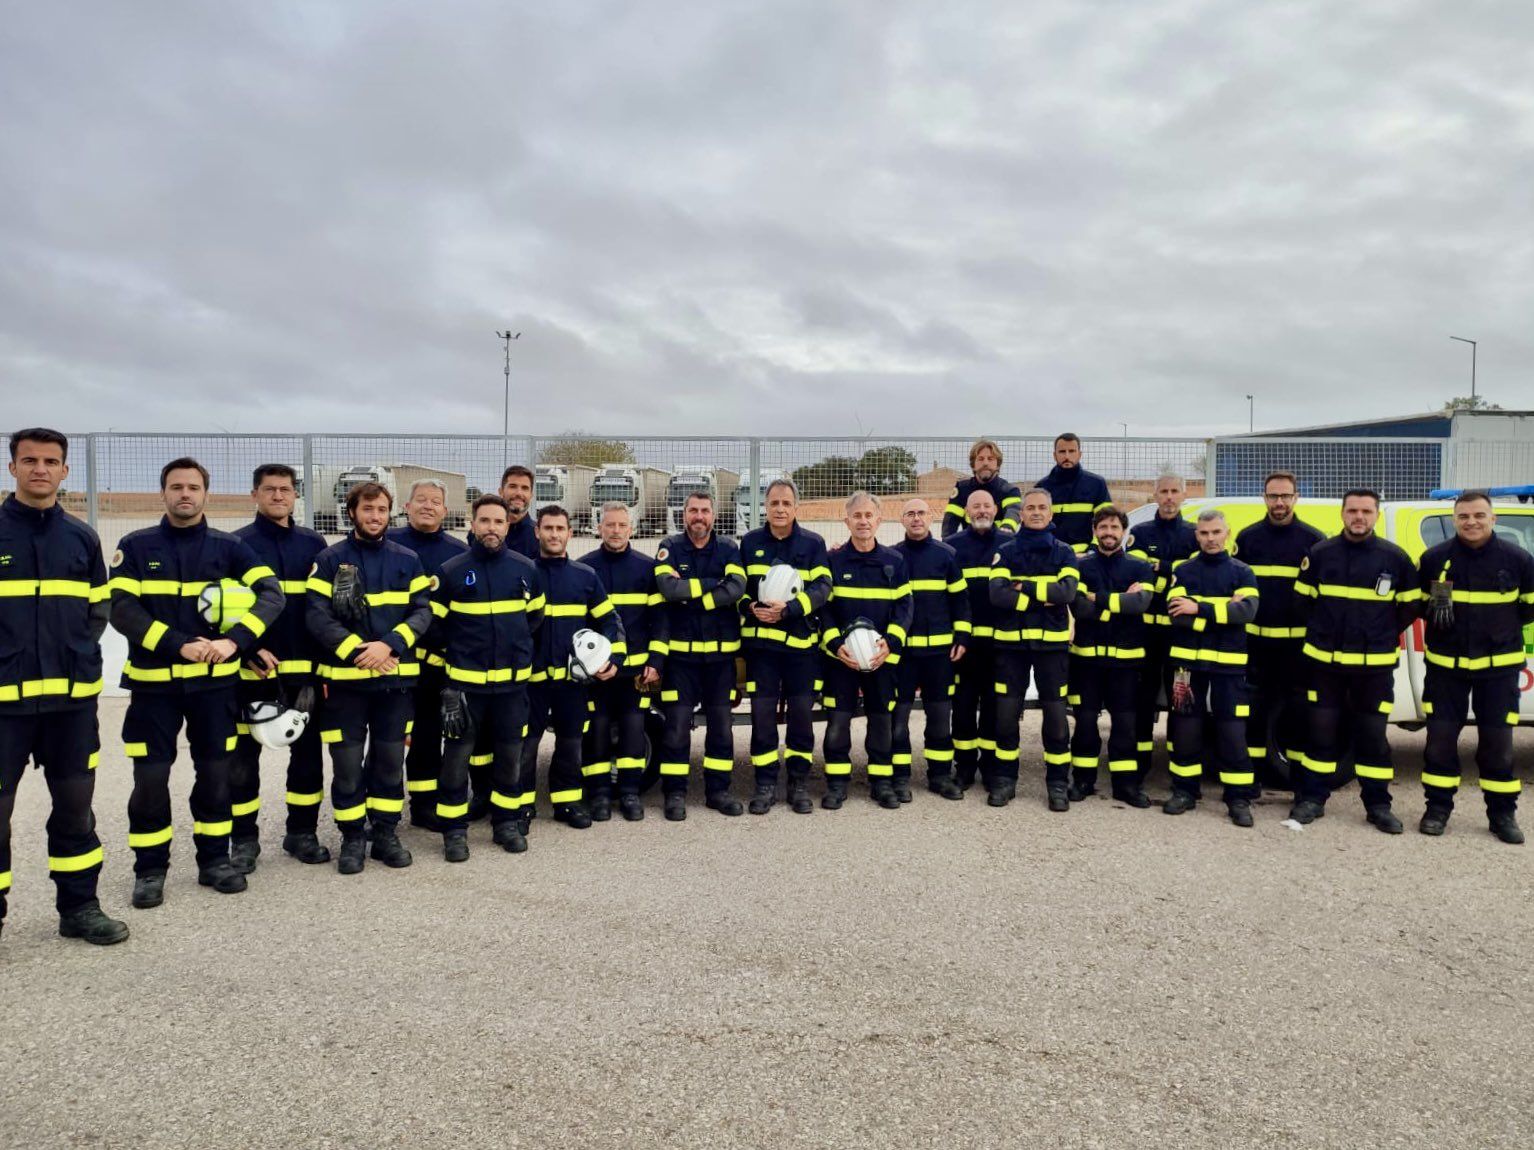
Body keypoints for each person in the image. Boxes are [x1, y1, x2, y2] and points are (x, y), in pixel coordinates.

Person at [111, 457, 285, 907]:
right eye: (176, 487)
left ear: (205, 494)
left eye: (192, 487)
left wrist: (235, 642)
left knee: (215, 776)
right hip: (154, 688)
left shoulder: (229, 548)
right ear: (163, 493)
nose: (184, 494)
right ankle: (149, 870)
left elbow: (272, 595)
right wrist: (176, 644)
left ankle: (214, 861)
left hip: (214, 688)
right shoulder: (135, 545)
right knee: (150, 780)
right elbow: (121, 608)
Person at [0, 428, 127, 944]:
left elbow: (98, 609)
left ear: (65, 471)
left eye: (51, 461)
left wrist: (73, 654)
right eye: (29, 460)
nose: (40, 469)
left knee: (76, 810)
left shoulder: (82, 537)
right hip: (3, 705)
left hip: (70, 704)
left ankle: (79, 909)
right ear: (12, 468)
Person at [306, 481, 433, 873]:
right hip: (345, 682)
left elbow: (422, 611)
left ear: (389, 512)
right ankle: (351, 837)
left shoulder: (407, 559)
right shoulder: (328, 560)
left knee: (390, 761)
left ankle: (384, 834)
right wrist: (357, 651)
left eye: (381, 510)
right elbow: (315, 613)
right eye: (367, 510)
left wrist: (390, 645)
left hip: (394, 682)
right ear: (352, 513)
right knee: (346, 763)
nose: (375, 516)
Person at [1290, 489, 1421, 833]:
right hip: (1325, 665)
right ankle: (1311, 799)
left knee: (1372, 737)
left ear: (1376, 515)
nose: (1358, 517)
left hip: (1374, 667)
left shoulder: (1395, 558)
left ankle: (1378, 805)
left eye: (1365, 511)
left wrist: (1381, 632)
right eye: (1352, 511)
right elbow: (1302, 602)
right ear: (1343, 514)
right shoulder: (1320, 553)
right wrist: (1324, 630)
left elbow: (1410, 605)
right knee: (1319, 734)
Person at [229, 464, 331, 870]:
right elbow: (222, 610)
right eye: (269, 490)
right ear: (255, 494)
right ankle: (244, 839)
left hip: (304, 670)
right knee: (243, 760)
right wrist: (245, 650)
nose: (277, 496)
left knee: (307, 757)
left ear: (294, 496)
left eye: (285, 490)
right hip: (254, 671)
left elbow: (322, 607)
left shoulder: (314, 543)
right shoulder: (236, 544)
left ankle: (301, 833)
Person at [431, 495, 545, 860]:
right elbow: (434, 626)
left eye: (498, 521)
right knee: (456, 760)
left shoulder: (526, 569)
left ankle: (506, 824)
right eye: (485, 521)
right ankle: (453, 832)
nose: (492, 528)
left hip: (512, 689)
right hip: (466, 687)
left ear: (508, 525)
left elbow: (535, 619)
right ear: (472, 524)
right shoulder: (451, 571)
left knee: (510, 759)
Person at [1417, 491, 1534, 843]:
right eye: (1464, 516)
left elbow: (1528, 609)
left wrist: (1497, 632)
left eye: (1479, 515)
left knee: (1497, 746)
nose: (1471, 522)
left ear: (1493, 519)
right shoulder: (1435, 559)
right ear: (1454, 519)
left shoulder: (1519, 560)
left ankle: (1502, 814)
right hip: (1445, 670)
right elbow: (1423, 606)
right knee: (1439, 742)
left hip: (1498, 671)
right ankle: (1437, 809)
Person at [519, 505, 622, 831]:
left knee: (570, 744)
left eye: (559, 529)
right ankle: (521, 806)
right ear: (537, 532)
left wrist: (611, 658)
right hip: (530, 682)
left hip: (572, 681)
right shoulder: (522, 573)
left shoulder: (585, 577)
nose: (553, 534)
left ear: (569, 534)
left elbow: (609, 620)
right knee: (526, 745)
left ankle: (567, 802)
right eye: (547, 528)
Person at [737, 478, 831, 815]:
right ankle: (764, 784)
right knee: (762, 717)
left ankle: (799, 783)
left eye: (786, 504)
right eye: (774, 503)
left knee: (802, 717)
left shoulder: (813, 543)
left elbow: (823, 588)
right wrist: (750, 607)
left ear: (795, 507)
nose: (779, 509)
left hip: (801, 651)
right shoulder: (749, 543)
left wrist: (790, 609)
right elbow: (739, 588)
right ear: (765, 506)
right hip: (761, 651)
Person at [1162, 510, 1261, 826]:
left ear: (1227, 533)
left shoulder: (1243, 572)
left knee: (1231, 731)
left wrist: (1199, 608)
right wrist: (1222, 610)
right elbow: (1178, 614)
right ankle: (1184, 791)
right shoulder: (1183, 570)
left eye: (1216, 532)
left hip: (1229, 668)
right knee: (1185, 727)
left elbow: (1246, 611)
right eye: (1204, 533)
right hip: (1185, 666)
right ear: (1197, 536)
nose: (1210, 538)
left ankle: (1238, 797)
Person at [654, 492, 747, 820]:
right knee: (677, 727)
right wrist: (712, 586)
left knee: (721, 728)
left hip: (720, 662)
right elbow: (668, 589)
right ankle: (675, 793)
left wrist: (694, 596)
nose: (699, 516)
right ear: (684, 514)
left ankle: (718, 791)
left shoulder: (729, 549)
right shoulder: (669, 546)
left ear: (713, 515)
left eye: (705, 511)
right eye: (693, 510)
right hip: (680, 661)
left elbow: (737, 587)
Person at [1231, 471, 1324, 788]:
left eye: (1285, 496)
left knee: (1298, 714)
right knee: (1255, 712)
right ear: (1264, 498)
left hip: (1297, 649)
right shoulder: (1247, 539)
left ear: (1296, 497)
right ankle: (1253, 779)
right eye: (1273, 496)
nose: (1279, 502)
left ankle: (1298, 783)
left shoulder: (1314, 541)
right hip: (1255, 645)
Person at [819, 492, 912, 809]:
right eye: (856, 515)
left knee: (880, 719)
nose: (863, 521)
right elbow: (825, 610)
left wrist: (891, 642)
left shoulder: (894, 562)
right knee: (838, 721)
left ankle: (882, 783)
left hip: (879, 658)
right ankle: (836, 783)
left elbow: (904, 607)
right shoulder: (833, 561)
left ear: (878, 520)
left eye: (868, 515)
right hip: (841, 659)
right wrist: (835, 644)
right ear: (846, 521)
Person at [386, 479, 468, 830]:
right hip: (393, 658)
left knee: (427, 735)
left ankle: (423, 806)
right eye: (420, 499)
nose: (427, 506)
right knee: (388, 738)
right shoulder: (388, 544)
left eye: (435, 501)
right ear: (407, 506)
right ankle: (382, 810)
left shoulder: (457, 550)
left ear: (445, 511)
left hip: (436, 662)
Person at [988, 489, 1078, 809]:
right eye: (1030, 508)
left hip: (1051, 647)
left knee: (1055, 715)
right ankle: (1004, 780)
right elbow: (997, 594)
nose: (1036, 512)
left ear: (1051, 514)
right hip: (1011, 645)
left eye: (1042, 507)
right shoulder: (1006, 550)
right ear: (1021, 514)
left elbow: (1067, 592)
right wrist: (1041, 596)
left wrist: (1023, 587)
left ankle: (1057, 783)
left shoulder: (1065, 552)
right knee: (1006, 716)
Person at [578, 502, 667, 822]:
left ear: (631, 529)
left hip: (635, 672)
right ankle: (600, 794)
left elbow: (659, 620)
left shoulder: (646, 568)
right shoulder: (585, 568)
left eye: (621, 525)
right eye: (610, 525)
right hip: (597, 672)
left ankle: (630, 793)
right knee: (597, 730)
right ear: (599, 528)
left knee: (633, 729)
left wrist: (655, 661)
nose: (616, 531)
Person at [1067, 507, 1155, 807]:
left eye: (1114, 527)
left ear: (1124, 532)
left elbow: (1140, 604)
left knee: (1125, 726)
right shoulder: (1081, 566)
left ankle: (1125, 786)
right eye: (1103, 526)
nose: (1108, 532)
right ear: (1094, 530)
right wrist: (1119, 601)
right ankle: (1082, 780)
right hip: (1086, 661)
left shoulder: (1140, 567)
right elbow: (1079, 608)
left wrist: (1097, 598)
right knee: (1085, 723)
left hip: (1126, 663)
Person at [893, 498, 970, 801]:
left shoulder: (947, 555)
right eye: (910, 514)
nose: (916, 518)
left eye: (921, 513)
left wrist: (962, 637)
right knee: (897, 719)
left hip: (940, 655)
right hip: (904, 655)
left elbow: (961, 602)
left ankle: (939, 775)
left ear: (931, 518)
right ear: (902, 520)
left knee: (939, 718)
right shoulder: (893, 556)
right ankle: (899, 778)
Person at [1128, 474, 1198, 776]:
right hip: (1145, 632)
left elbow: (1197, 575)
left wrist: (1162, 568)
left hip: (1180, 634)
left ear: (1184, 496)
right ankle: (1141, 764)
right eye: (1164, 491)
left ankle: (1176, 763)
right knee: (1143, 699)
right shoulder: (1141, 533)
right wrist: (1176, 571)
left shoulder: (1195, 534)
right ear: (1154, 495)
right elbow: (1137, 572)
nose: (1169, 497)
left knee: (1178, 699)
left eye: (1174, 492)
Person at [947, 490, 1006, 791]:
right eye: (975, 506)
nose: (981, 510)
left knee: (996, 708)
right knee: (964, 706)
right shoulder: (952, 547)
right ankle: (965, 768)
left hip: (1000, 645)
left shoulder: (1010, 544)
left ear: (995, 509)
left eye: (986, 505)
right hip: (966, 646)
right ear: (967, 511)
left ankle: (992, 770)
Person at [1035, 433, 1112, 554]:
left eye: (1072, 451)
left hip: (1088, 557)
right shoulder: (1042, 487)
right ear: (1054, 455)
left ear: (1079, 454)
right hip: (1051, 555)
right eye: (1062, 452)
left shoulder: (1096, 484)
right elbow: (1036, 524)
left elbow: (1106, 521)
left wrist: (1093, 550)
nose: (1067, 456)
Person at [941, 439, 1021, 536]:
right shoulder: (962, 489)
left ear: (998, 465)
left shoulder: (1009, 491)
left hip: (998, 544)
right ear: (973, 465)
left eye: (990, 459)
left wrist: (1006, 529)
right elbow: (950, 521)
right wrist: (947, 546)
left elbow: (1013, 512)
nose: (985, 463)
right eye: (981, 459)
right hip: (970, 545)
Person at [498, 465, 538, 561]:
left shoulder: (539, 537)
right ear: (501, 492)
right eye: (513, 486)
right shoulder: (483, 533)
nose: (519, 493)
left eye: (525, 488)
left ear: (531, 495)